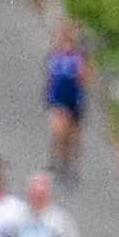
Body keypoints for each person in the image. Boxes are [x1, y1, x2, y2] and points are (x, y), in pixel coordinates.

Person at [43, 29, 87, 176]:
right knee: (57, 130)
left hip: (73, 100)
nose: (65, 46)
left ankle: (69, 164)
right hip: (58, 99)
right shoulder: (55, 58)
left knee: (72, 135)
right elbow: (50, 78)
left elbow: (82, 79)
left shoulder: (77, 60)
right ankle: (55, 159)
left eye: (68, 42)